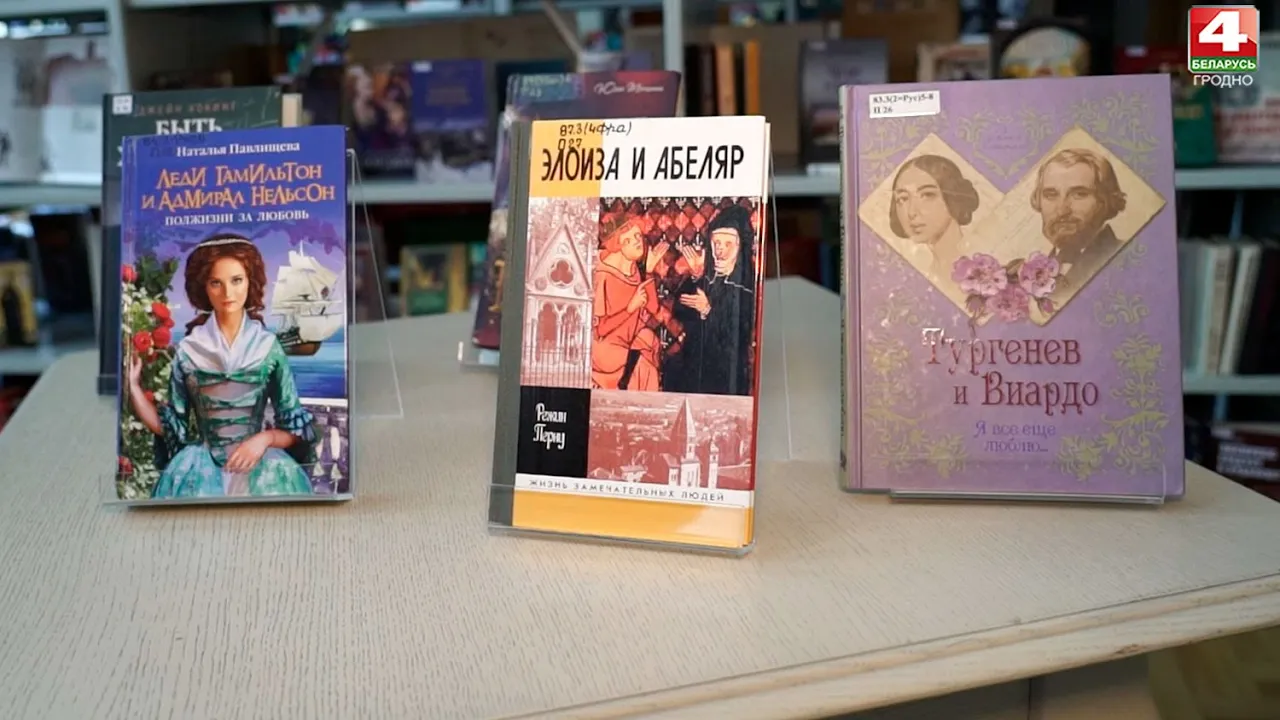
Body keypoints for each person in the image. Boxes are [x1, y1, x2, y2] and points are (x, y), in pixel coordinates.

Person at [126, 234, 318, 498]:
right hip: (199, 473)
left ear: (250, 281)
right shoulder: (189, 351)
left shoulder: (268, 347)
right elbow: (172, 429)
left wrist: (264, 439)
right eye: (216, 283)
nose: (228, 293)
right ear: (203, 287)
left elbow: (294, 428)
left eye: (236, 280)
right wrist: (133, 387)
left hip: (264, 469)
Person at [666, 203, 757, 396]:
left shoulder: (746, 287)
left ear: (740, 247)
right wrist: (695, 276)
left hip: (724, 371)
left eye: (727, 244)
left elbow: (738, 330)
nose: (720, 251)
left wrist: (709, 310)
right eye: (716, 244)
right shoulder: (707, 277)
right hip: (695, 362)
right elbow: (679, 310)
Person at [1029, 147, 1126, 298]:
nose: (1062, 210)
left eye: (1079, 194)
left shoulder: (1124, 255)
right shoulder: (1032, 272)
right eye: (1051, 195)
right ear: (1038, 201)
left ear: (1106, 201)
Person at [590, 216, 668, 390]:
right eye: (629, 239)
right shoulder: (603, 276)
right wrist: (630, 308)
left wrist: (649, 271)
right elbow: (600, 330)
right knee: (645, 368)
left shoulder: (632, 269)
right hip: (604, 347)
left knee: (652, 341)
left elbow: (653, 308)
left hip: (627, 338)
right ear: (618, 244)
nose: (638, 241)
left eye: (638, 236)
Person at [887, 154, 981, 284]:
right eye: (903, 199)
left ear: (953, 197)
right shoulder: (927, 277)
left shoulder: (983, 260)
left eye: (927, 195)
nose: (911, 212)